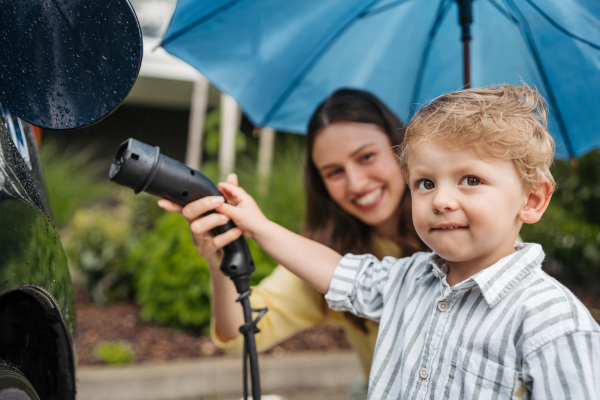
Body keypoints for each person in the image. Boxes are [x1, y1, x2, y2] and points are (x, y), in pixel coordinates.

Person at [203, 84, 600, 399]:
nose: (441, 200)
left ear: (532, 199)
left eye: (471, 179)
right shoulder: (406, 280)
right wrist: (254, 225)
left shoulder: (552, 322)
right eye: (426, 183)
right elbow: (333, 270)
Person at [158, 88, 427, 397]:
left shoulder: (464, 244)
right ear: (321, 185)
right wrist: (221, 265)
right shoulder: (325, 258)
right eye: (334, 172)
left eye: (366, 157)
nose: (356, 183)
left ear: (402, 149)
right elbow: (240, 333)